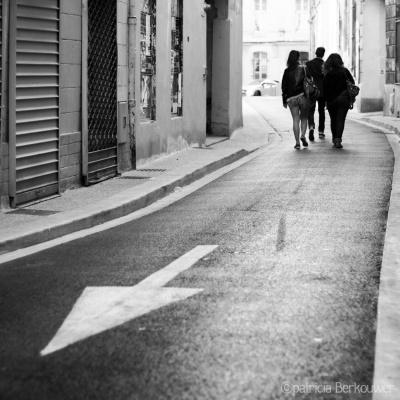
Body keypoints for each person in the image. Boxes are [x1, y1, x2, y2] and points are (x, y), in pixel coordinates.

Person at [322, 53, 355, 149]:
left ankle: (334, 138)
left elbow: (324, 89)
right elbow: (352, 83)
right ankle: (338, 140)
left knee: (333, 119)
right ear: (340, 61)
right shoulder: (344, 71)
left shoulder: (327, 73)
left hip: (331, 100)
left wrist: (326, 101)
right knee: (340, 120)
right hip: (343, 99)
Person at [281, 50, 312, 150]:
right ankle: (303, 135)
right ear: (298, 58)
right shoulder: (304, 69)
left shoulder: (286, 71)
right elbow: (310, 81)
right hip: (303, 96)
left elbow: (284, 87)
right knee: (304, 118)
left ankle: (297, 142)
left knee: (295, 119)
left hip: (291, 99)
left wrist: (284, 100)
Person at [306, 47, 326, 141]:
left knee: (311, 110)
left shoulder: (309, 64)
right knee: (321, 111)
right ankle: (321, 131)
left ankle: (311, 127)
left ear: (315, 53)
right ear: (323, 54)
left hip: (311, 91)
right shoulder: (325, 65)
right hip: (322, 91)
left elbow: (306, 78)